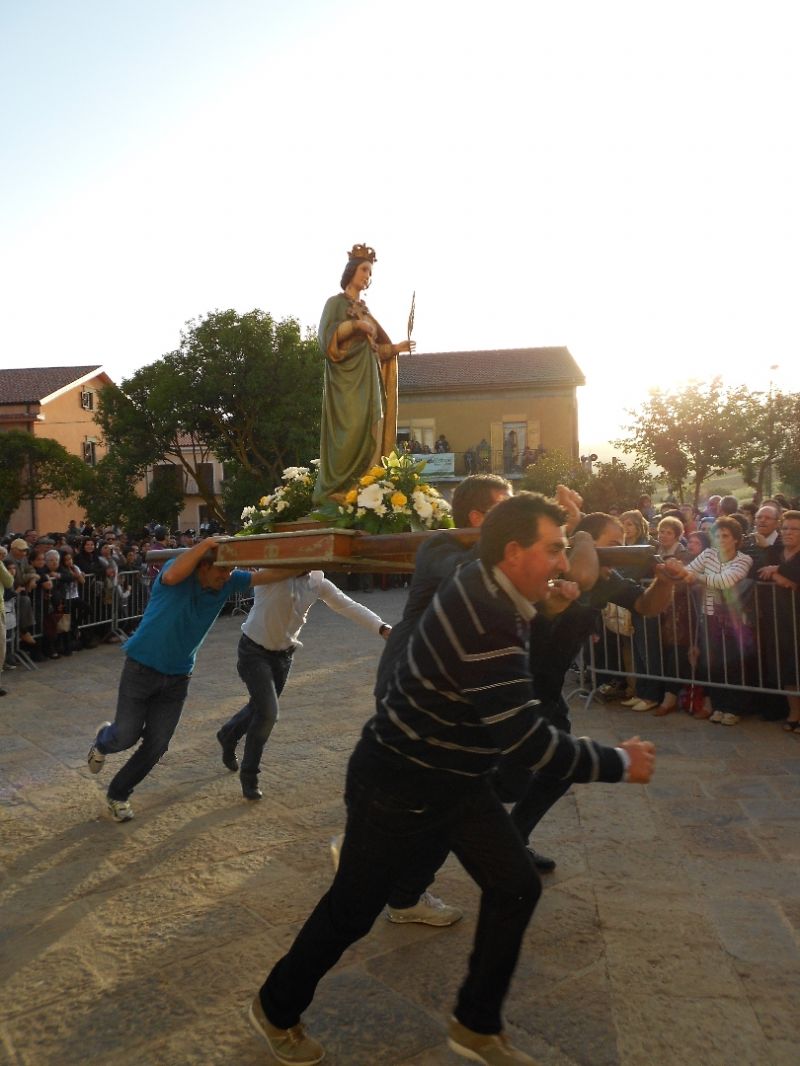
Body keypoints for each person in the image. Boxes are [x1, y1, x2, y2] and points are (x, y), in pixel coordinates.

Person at [249, 494, 656, 1066]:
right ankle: (275, 1005)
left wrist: (552, 601)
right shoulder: (486, 618)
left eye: (564, 550)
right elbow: (529, 742)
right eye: (553, 550)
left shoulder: (488, 580)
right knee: (353, 910)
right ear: (513, 553)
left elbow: (531, 592)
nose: (564, 564)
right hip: (398, 781)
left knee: (515, 884)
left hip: (457, 776)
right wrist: (619, 762)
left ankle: (476, 1025)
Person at [85, 538, 289, 822]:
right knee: (126, 735)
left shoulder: (228, 581)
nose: (226, 576)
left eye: (230, 571)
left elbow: (268, 575)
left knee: (157, 744)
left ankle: (118, 794)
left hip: (179, 676)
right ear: (202, 566)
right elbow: (171, 574)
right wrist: (206, 543)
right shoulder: (176, 574)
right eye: (221, 570)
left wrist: (306, 565)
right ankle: (104, 742)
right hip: (141, 668)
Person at [216, 571, 392, 800]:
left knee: (262, 707)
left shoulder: (317, 581)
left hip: (283, 657)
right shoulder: (269, 573)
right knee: (268, 712)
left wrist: (383, 628)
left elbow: (348, 605)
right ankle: (250, 775)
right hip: (253, 652)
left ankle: (228, 734)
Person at [312, 243, 415, 504]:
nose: (367, 276)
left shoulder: (367, 311)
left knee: (372, 426)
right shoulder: (334, 303)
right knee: (351, 429)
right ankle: (338, 488)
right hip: (346, 381)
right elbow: (327, 340)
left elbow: (375, 349)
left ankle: (363, 487)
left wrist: (395, 348)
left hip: (369, 380)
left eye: (370, 272)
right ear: (351, 271)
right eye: (364, 270)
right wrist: (354, 325)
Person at [684, 516, 754, 725]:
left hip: (734, 620)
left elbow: (726, 581)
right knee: (713, 665)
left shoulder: (744, 559)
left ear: (735, 539)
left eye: (726, 536)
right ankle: (719, 704)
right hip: (710, 615)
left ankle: (733, 708)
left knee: (733, 664)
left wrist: (700, 577)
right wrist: (696, 575)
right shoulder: (708, 554)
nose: (721, 539)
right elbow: (687, 571)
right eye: (717, 535)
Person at [756, 510, 800, 731]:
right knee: (787, 667)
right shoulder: (774, 551)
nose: (788, 532)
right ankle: (794, 713)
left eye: (794, 529)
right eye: (785, 528)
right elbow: (761, 572)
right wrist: (779, 574)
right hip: (778, 617)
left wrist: (781, 573)